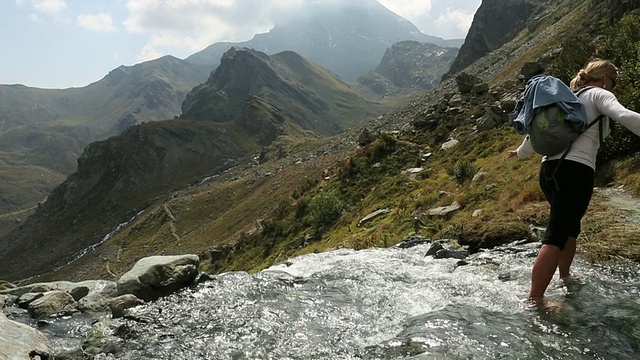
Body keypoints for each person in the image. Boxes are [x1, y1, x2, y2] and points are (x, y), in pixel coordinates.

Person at [507, 59, 640, 308]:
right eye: (613, 82)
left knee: (569, 227)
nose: (614, 87)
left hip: (549, 170)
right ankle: (535, 300)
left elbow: (537, 134)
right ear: (603, 79)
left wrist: (519, 153)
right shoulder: (599, 94)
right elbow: (623, 115)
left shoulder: (566, 98)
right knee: (557, 233)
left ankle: (565, 276)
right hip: (575, 171)